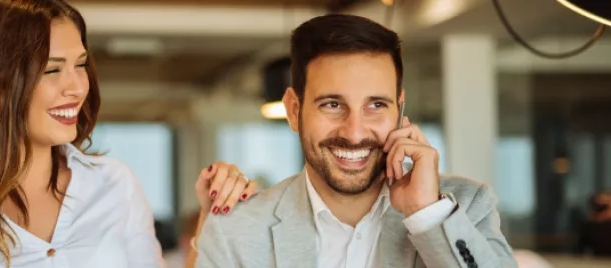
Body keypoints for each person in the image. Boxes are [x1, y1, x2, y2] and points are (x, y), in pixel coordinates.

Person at [0, 0, 257, 267]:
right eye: (52, 69)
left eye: (81, 64)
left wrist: (210, 217)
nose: (77, 86)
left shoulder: (115, 185)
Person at [194, 14, 517, 268]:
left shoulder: (466, 206)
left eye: (376, 105)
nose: (355, 132)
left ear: (399, 107)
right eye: (332, 105)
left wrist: (426, 213)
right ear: (294, 110)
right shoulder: (236, 229)